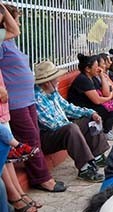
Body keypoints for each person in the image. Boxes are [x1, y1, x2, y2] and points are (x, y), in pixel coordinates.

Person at [0, 4, 66, 192]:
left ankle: (41, 175)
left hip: (27, 98)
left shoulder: (9, 41)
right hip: (14, 101)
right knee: (29, 138)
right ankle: (42, 178)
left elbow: (15, 31)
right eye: (15, 18)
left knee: (34, 136)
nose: (18, 23)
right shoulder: (1, 43)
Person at [34, 60, 110, 182]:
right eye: (55, 79)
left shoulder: (52, 93)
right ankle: (85, 168)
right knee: (71, 128)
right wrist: (72, 126)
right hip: (46, 137)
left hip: (59, 128)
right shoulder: (37, 99)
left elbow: (68, 108)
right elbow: (51, 124)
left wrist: (90, 112)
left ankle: (97, 155)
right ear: (47, 83)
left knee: (87, 120)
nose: (58, 81)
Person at [68, 54, 113, 140]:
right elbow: (97, 100)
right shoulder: (83, 79)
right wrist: (110, 97)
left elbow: (105, 93)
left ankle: (106, 131)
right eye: (96, 67)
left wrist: (102, 75)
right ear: (88, 69)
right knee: (106, 108)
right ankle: (105, 132)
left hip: (89, 103)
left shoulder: (92, 77)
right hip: (80, 107)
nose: (99, 69)